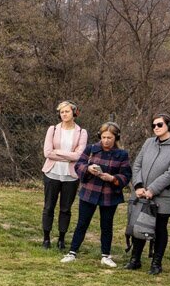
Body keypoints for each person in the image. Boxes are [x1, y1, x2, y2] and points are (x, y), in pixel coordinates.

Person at [126, 114, 170, 275]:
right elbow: (137, 165)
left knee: (160, 229)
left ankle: (156, 263)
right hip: (141, 193)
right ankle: (135, 259)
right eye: (153, 125)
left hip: (163, 196)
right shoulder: (149, 142)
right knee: (138, 225)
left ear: (169, 125)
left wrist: (152, 190)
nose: (156, 128)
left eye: (159, 125)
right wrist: (138, 185)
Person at [64, 122, 130, 266]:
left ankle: (106, 255)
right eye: (104, 137)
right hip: (89, 191)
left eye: (109, 138)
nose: (106, 141)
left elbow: (126, 175)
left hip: (109, 194)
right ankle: (72, 252)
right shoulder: (91, 149)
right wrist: (88, 169)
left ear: (116, 138)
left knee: (106, 225)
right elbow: (78, 165)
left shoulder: (122, 154)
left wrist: (112, 178)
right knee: (82, 223)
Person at [40, 101, 89, 249]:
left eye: (67, 111)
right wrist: (69, 155)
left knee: (66, 209)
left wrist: (58, 153)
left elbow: (79, 156)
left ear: (74, 113)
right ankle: (46, 238)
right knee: (49, 206)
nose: (64, 114)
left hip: (70, 175)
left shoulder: (81, 132)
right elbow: (47, 153)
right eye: (62, 112)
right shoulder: (53, 129)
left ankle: (61, 239)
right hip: (52, 173)